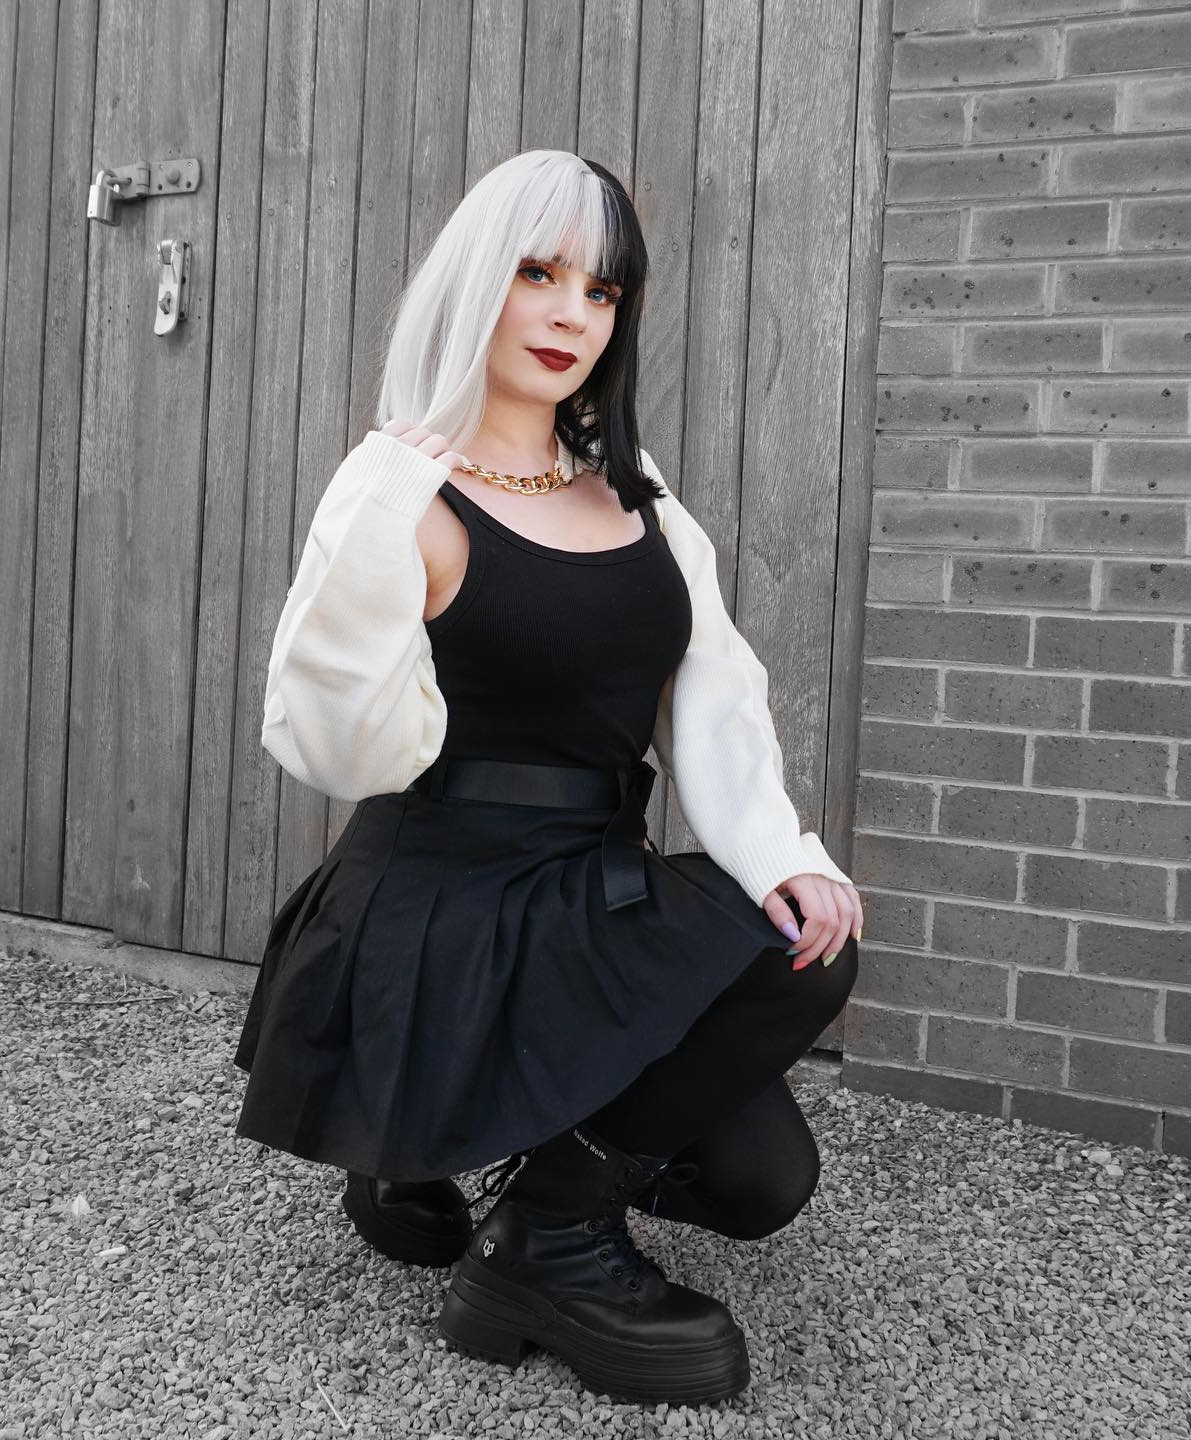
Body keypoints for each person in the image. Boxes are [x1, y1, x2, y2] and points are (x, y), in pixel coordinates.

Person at [232, 148, 863, 1406]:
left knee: (759, 1180)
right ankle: (545, 1237)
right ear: (477, 281)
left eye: (602, 289)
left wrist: (782, 855)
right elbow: (333, 744)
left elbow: (714, 699)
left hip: (589, 889)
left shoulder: (643, 501)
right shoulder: (402, 492)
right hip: (442, 907)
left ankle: (469, 1146)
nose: (573, 312)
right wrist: (378, 512)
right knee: (798, 989)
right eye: (538, 273)